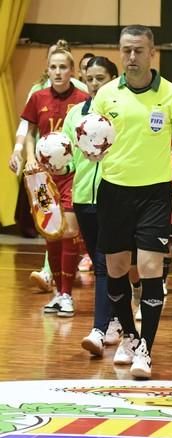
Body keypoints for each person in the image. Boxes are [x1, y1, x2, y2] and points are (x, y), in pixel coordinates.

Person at [91, 25, 172, 379]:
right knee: (116, 270)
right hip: (113, 192)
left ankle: (145, 347)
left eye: (138, 51)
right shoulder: (106, 95)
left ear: (152, 53)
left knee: (149, 270)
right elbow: (92, 143)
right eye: (126, 50)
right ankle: (129, 336)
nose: (131, 57)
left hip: (155, 194)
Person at [12, 46, 89, 317]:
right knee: (51, 235)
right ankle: (58, 293)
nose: (58, 72)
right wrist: (26, 155)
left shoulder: (83, 98)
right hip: (44, 177)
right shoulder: (38, 97)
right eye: (53, 67)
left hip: (71, 174)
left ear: (72, 71)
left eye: (63, 67)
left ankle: (67, 294)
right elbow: (29, 130)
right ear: (48, 70)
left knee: (68, 232)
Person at [60, 56, 123, 354]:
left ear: (113, 78)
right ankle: (113, 320)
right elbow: (70, 155)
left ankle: (100, 328)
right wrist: (57, 165)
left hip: (114, 195)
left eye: (101, 78)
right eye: (90, 78)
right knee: (103, 263)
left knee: (103, 262)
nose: (95, 83)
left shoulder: (120, 112)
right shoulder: (75, 113)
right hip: (83, 195)